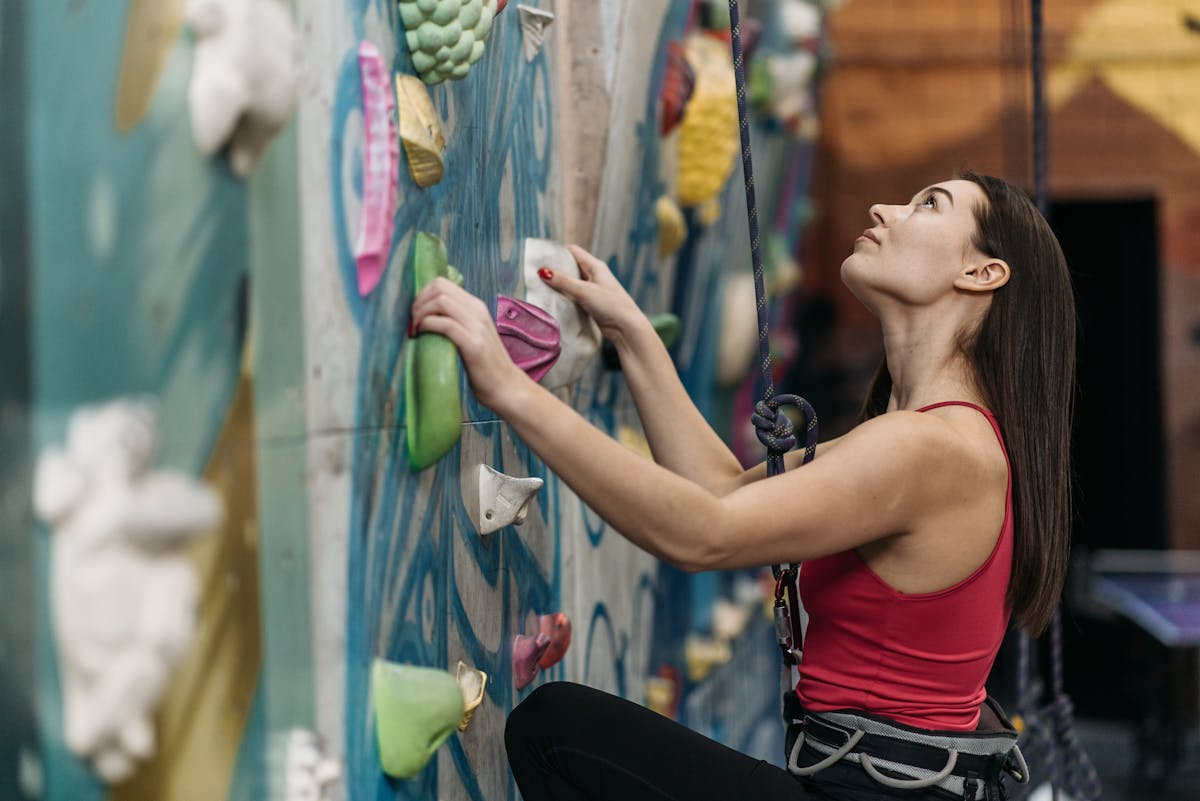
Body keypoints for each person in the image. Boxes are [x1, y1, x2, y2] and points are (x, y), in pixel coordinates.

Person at [409, 171, 1075, 800]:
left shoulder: (930, 448)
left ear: (981, 272)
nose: (885, 210)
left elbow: (701, 533)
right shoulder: (931, 437)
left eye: (929, 204)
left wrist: (508, 389)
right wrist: (634, 335)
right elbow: (722, 491)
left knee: (553, 728)